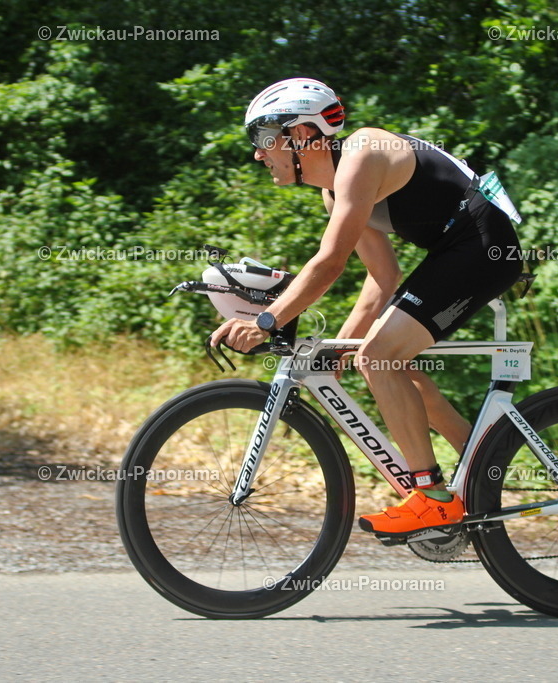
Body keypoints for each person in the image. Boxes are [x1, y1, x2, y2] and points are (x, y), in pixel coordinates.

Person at [210, 77, 523, 537]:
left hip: (483, 245)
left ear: (301, 134)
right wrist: (339, 349)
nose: (258, 153)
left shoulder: (362, 154)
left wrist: (267, 320)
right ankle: (483, 470)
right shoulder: (334, 191)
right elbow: (382, 277)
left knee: (379, 355)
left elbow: (330, 262)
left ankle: (433, 499)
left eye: (263, 138)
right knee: (388, 363)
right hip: (459, 249)